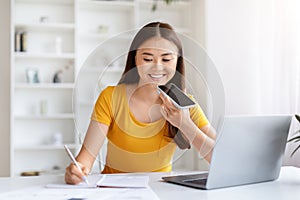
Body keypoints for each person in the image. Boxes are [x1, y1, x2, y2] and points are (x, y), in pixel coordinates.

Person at [65, 22, 217, 184]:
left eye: (166, 59)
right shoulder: (111, 97)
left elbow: (220, 158)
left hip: (160, 189)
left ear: (177, 62)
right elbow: (86, 158)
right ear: (135, 58)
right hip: (114, 189)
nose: (157, 67)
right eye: (147, 58)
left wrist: (185, 124)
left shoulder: (186, 105)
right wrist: (77, 170)